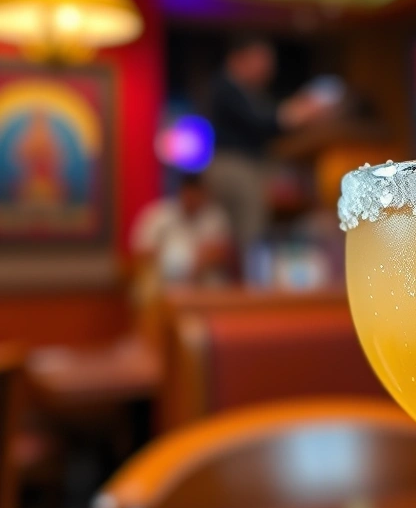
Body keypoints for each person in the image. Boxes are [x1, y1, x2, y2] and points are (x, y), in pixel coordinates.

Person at [206, 34, 330, 255]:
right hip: (235, 167)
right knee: (246, 234)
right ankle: (249, 276)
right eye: (261, 61)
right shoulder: (226, 87)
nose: (267, 69)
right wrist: (292, 113)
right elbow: (258, 122)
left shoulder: (247, 91)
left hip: (242, 167)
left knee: (243, 233)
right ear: (240, 58)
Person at [130, 172, 232, 305]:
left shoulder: (215, 218)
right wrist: (166, 262)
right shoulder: (157, 216)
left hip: (205, 293)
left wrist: (197, 263)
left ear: (205, 194)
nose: (193, 200)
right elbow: (141, 254)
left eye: (198, 195)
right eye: (189, 194)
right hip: (163, 290)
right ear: (181, 192)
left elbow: (223, 253)